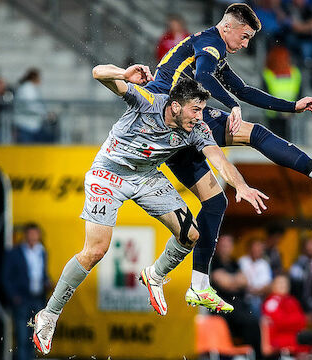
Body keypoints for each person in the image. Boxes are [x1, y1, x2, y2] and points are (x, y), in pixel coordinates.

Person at [143, 3, 312, 314]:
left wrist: (293, 106)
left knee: (215, 203)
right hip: (169, 115)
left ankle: (197, 285)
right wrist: (230, 105)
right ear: (229, 28)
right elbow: (206, 78)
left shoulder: (211, 45)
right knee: (256, 135)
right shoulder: (210, 45)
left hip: (172, 126)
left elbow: (245, 89)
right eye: (245, 37)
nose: (246, 44)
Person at [30, 66, 268, 355]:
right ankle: (50, 315)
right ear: (175, 106)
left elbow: (220, 160)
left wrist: (240, 185)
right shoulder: (147, 102)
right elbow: (96, 72)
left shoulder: (197, 129)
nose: (200, 116)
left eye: (202, 110)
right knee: (96, 250)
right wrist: (124, 74)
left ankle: (154, 275)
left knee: (191, 234)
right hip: (109, 174)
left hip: (146, 177)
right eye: (195, 109)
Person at [1, 223, 51, 360]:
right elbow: (6, 277)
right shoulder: (15, 253)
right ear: (26, 235)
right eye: (31, 234)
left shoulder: (42, 251)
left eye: (36, 234)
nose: (33, 237)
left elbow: (42, 273)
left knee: (35, 338)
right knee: (22, 337)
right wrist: (14, 296)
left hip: (38, 299)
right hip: (22, 299)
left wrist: (47, 282)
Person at [211, 234, 262, 358]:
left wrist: (231, 280)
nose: (226, 248)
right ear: (218, 246)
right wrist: (235, 281)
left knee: (254, 322)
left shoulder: (234, 263)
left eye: (228, 245)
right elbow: (224, 283)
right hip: (221, 306)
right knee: (245, 321)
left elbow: (244, 281)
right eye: (223, 245)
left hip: (238, 306)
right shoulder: (213, 262)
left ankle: (255, 355)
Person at [262, 274, 309, 357]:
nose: (283, 285)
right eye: (280, 283)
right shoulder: (271, 302)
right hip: (278, 338)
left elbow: (302, 321)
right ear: (273, 286)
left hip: (293, 336)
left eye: (285, 283)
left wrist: (289, 320)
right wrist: (293, 322)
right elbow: (280, 323)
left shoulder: (292, 300)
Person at [261, 45, 301, 139]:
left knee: (288, 141)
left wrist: (293, 108)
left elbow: (299, 92)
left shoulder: (295, 73)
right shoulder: (267, 74)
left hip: (291, 112)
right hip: (274, 114)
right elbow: (265, 94)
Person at [289, 236, 312, 319]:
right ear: (303, 248)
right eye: (308, 245)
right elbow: (294, 287)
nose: (311, 248)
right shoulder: (297, 264)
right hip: (299, 300)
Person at [13, 68, 56, 143]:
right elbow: (31, 106)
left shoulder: (30, 88)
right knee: (27, 151)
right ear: (35, 78)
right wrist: (46, 115)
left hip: (33, 125)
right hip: (26, 125)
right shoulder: (27, 89)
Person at [238, 239, 272, 317]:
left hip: (258, 299)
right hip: (242, 296)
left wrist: (254, 291)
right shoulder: (242, 261)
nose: (257, 251)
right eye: (255, 248)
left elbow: (268, 286)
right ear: (249, 249)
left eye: (259, 249)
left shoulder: (264, 264)